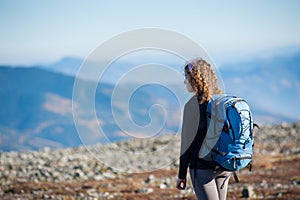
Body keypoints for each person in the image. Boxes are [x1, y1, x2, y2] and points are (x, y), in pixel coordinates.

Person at [176, 58, 231, 200]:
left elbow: (186, 143)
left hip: (202, 168)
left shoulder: (192, 105)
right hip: (224, 165)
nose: (184, 82)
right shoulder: (222, 100)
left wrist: (182, 175)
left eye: (186, 78)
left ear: (195, 80)